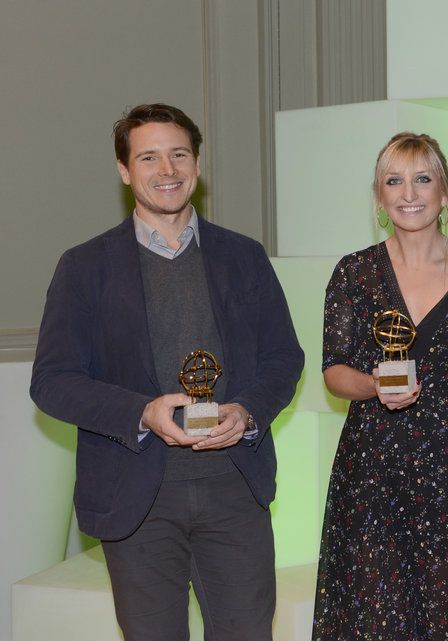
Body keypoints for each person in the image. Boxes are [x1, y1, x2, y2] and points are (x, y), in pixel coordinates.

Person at [30, 103, 304, 641]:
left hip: (234, 491)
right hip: (138, 498)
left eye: (179, 154)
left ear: (197, 164)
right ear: (125, 171)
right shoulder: (84, 267)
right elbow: (53, 381)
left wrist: (248, 411)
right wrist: (141, 412)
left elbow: (283, 358)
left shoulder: (244, 256)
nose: (167, 170)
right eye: (149, 157)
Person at [312, 132, 448, 641]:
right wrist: (372, 384)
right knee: (375, 615)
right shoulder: (354, 272)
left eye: (422, 179)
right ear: (380, 198)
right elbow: (334, 371)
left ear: (444, 191)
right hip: (373, 472)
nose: (409, 193)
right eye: (394, 181)